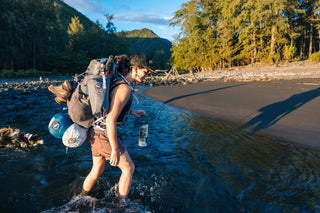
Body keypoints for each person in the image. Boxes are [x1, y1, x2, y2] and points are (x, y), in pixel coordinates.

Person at [81, 53, 151, 199]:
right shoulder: (124, 88)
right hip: (105, 134)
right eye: (146, 71)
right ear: (136, 68)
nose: (147, 74)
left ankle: (80, 197)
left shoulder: (118, 81)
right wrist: (114, 149)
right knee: (129, 168)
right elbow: (111, 119)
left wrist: (132, 112)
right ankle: (121, 205)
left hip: (96, 132)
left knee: (97, 169)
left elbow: (111, 110)